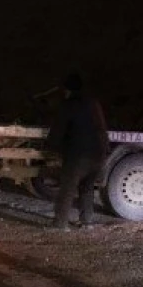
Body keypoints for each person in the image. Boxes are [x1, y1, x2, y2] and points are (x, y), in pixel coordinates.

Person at [45, 72, 109, 230]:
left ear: (67, 89)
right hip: (98, 155)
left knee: (67, 189)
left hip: (78, 156)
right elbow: (102, 129)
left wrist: (50, 148)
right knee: (87, 188)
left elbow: (58, 130)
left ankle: (60, 224)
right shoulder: (94, 104)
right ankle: (87, 221)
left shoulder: (68, 105)